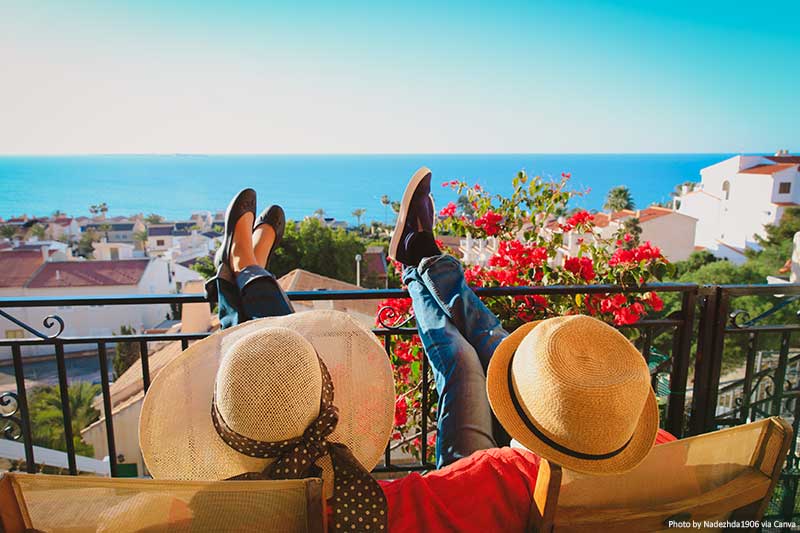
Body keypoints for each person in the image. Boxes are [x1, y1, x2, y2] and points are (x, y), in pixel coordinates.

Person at [140, 180, 676, 532]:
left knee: (282, 375)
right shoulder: (666, 459)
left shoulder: (490, 479)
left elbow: (375, 505)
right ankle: (409, 257)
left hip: (487, 504)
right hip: (523, 504)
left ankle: (243, 275)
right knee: (464, 362)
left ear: (531, 417)